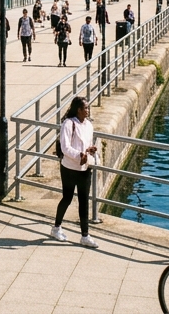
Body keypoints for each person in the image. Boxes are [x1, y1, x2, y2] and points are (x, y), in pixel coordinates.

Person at [49, 97, 103, 248]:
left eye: (88, 108)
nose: (88, 110)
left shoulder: (89, 125)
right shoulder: (68, 124)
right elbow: (65, 147)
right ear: (78, 110)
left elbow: (86, 143)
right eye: (85, 108)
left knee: (84, 201)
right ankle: (56, 228)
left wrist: (90, 151)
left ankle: (85, 236)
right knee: (67, 198)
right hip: (69, 168)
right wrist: (79, 154)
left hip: (85, 168)